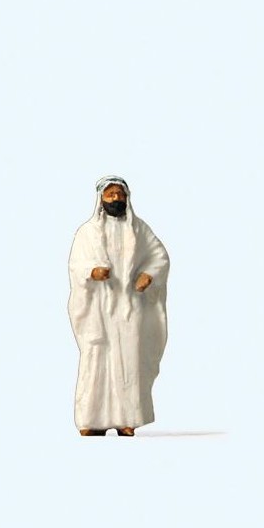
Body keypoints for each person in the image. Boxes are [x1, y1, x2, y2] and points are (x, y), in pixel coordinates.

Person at [68, 176, 170, 436]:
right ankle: (92, 420)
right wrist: (91, 272)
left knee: (129, 359)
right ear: (101, 199)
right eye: (111, 194)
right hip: (98, 309)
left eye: (120, 194)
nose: (116, 199)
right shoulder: (87, 232)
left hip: (129, 307)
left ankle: (127, 418)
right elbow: (75, 265)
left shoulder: (139, 230)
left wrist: (149, 274)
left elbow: (159, 256)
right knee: (96, 360)